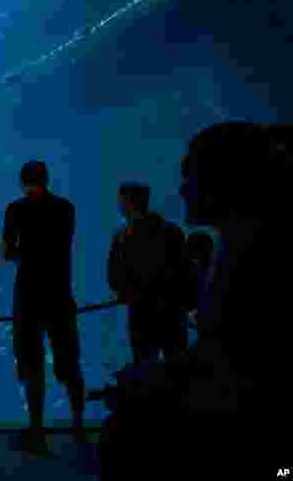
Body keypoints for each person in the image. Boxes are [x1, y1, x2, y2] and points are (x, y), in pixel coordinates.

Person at [99, 122, 289, 480]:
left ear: (226, 181)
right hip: (168, 318)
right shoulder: (232, 248)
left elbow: (238, 365)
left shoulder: (251, 256)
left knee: (125, 434)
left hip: (237, 413)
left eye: (191, 176)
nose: (182, 189)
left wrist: (157, 383)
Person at [1, 161, 86, 455]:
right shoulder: (66, 208)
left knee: (31, 364)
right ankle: (79, 424)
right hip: (60, 293)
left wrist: (24, 249)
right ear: (47, 179)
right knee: (69, 361)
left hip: (28, 295)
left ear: (22, 182)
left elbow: (8, 252)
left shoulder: (16, 210)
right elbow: (65, 244)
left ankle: (36, 429)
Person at [108, 183, 190, 363]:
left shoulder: (122, 235)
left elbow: (114, 275)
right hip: (173, 311)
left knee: (144, 365)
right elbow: (185, 270)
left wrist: (125, 293)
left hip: (141, 313)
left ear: (125, 203)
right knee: (177, 367)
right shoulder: (172, 231)